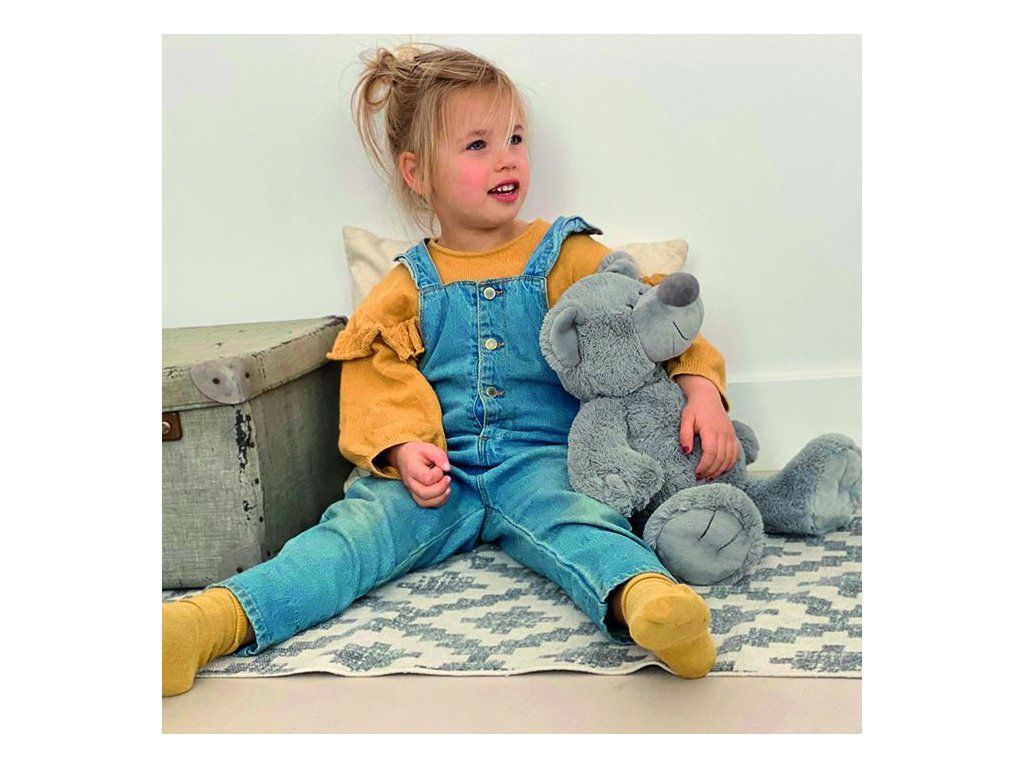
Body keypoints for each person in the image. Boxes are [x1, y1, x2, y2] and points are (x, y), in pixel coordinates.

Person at [162, 43, 740, 697]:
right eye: (477, 145)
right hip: (439, 472)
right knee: (351, 537)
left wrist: (700, 389)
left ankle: (652, 605)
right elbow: (375, 374)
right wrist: (402, 448)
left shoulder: (565, 252)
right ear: (418, 172)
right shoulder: (406, 284)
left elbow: (651, 314)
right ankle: (206, 624)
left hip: (546, 460)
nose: (506, 158)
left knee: (585, 524)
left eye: (515, 138)